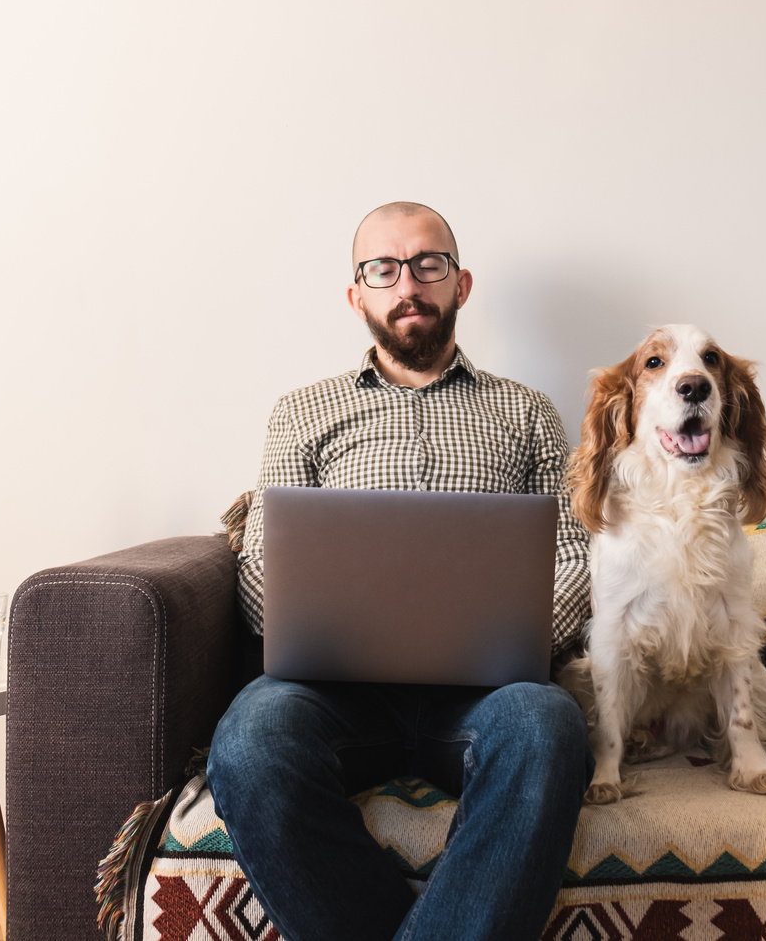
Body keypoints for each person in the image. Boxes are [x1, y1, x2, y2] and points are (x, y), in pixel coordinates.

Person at [205, 201, 594, 941]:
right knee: (251, 742)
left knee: (548, 727)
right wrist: (315, 623)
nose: (407, 283)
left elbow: (574, 552)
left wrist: (516, 630)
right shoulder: (302, 412)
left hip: (488, 693)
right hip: (332, 691)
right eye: (383, 269)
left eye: (427, 264)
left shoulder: (527, 412)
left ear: (461, 284)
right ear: (357, 295)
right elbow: (259, 561)